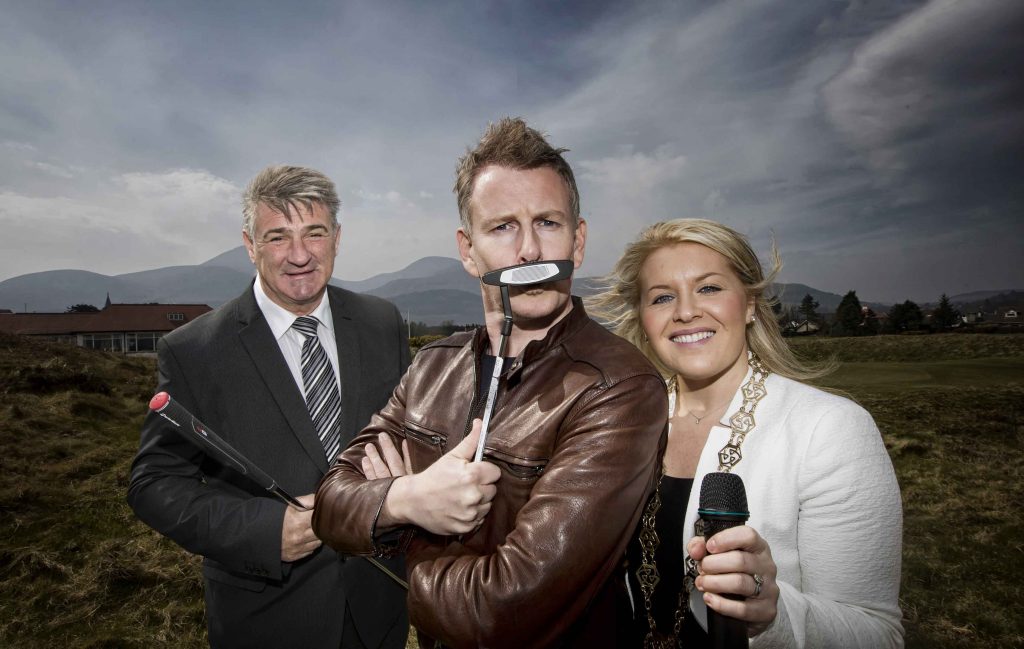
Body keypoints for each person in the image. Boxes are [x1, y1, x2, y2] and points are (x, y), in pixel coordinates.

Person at [312, 118, 668, 649]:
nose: (528, 251)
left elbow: (506, 611)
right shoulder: (433, 365)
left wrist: (399, 535)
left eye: (547, 222)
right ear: (467, 250)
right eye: (502, 227)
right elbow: (328, 505)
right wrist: (411, 498)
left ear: (579, 238)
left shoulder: (617, 386)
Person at [127, 165, 410, 649]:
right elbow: (153, 483)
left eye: (314, 233)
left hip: (379, 605)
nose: (299, 255)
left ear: (336, 238)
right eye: (278, 237)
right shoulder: (194, 350)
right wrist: (262, 531)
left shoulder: (381, 321)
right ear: (249, 243)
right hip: (267, 617)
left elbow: (409, 432)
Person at [587, 218, 904, 648]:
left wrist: (771, 616)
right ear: (644, 319)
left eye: (710, 288)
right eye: (662, 297)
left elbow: (876, 633)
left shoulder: (828, 429)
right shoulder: (622, 422)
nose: (685, 311)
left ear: (750, 304)